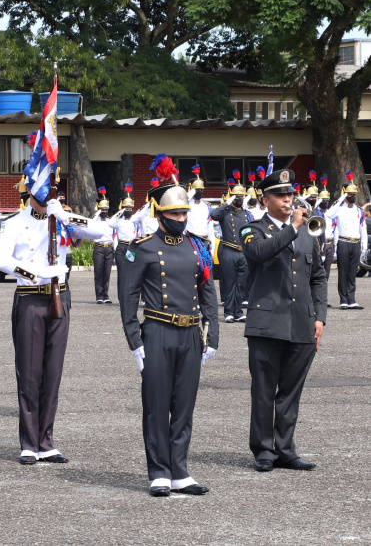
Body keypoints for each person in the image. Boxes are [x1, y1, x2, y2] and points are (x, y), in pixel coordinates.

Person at [119, 154, 219, 497]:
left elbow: (207, 292)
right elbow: (128, 297)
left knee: (185, 406)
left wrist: (212, 335)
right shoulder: (142, 249)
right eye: (174, 214)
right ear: (159, 214)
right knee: (157, 406)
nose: (180, 218)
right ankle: (159, 471)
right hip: (158, 331)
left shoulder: (198, 246)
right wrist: (135, 341)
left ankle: (180, 470)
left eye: (183, 213)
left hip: (191, 332)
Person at [0, 188, 110, 465]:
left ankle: (46, 441)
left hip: (60, 299)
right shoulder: (15, 223)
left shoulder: (62, 220)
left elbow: (103, 231)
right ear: (30, 190)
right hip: (30, 298)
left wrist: (67, 217)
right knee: (30, 374)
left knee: (53, 373)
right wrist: (35, 273)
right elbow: (0, 260)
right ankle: (29, 443)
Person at [241, 168, 327, 472]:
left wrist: (320, 317)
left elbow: (318, 276)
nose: (288, 199)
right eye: (280, 195)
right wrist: (292, 227)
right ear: (265, 200)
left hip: (302, 323)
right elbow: (259, 252)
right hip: (266, 324)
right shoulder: (252, 229)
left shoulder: (307, 231)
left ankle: (286, 449)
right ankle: (264, 450)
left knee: (291, 392)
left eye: (290, 194)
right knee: (264, 391)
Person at [210, 176, 251, 322]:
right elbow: (213, 215)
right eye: (236, 196)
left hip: (243, 252)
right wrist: (227, 202)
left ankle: (238, 312)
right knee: (229, 283)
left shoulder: (247, 214)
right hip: (228, 250)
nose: (239, 199)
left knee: (241, 284)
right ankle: (228, 312)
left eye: (241, 196)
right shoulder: (225, 212)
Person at [327, 171, 367, 309]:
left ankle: (352, 299)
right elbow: (329, 214)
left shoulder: (358, 210)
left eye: (354, 194)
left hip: (355, 243)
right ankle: (343, 300)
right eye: (350, 194)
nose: (353, 196)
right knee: (343, 272)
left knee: (352, 273)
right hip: (343, 242)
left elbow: (363, 228)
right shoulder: (338, 209)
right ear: (345, 194)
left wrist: (364, 246)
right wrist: (342, 197)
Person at [109, 185, 137, 295]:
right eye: (127, 208)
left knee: (130, 272)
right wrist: (120, 212)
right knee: (121, 272)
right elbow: (110, 223)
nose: (128, 210)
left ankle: (129, 295)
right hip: (121, 247)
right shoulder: (119, 220)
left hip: (131, 248)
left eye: (130, 208)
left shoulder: (134, 219)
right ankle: (121, 296)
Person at [91, 188, 116, 304]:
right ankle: (99, 296)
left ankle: (105, 295)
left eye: (106, 209)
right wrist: (98, 210)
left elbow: (115, 235)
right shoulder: (96, 220)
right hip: (99, 248)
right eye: (103, 210)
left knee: (107, 273)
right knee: (98, 272)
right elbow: (91, 221)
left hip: (109, 248)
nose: (104, 211)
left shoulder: (110, 221)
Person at [316, 177, 335, 280]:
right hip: (318, 244)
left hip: (329, 244)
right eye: (324, 200)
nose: (326, 202)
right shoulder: (316, 212)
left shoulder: (330, 213)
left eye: (327, 200)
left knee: (326, 272)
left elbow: (334, 229)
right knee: (317, 271)